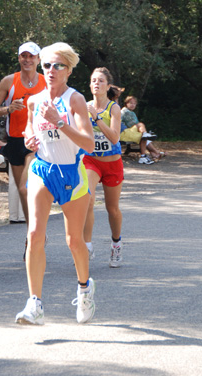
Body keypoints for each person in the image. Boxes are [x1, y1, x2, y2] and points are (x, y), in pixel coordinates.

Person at [15, 43, 96, 325]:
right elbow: (28, 125)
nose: (50, 70)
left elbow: (89, 143)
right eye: (47, 65)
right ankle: (34, 303)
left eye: (57, 65)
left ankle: (85, 288)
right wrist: (28, 138)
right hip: (42, 170)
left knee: (74, 241)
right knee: (35, 235)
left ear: (69, 70)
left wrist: (60, 122)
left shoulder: (76, 100)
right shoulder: (34, 101)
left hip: (72, 173)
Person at [0, 42, 46, 225]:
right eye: (24, 56)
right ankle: (31, 229)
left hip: (37, 140)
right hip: (15, 140)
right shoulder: (9, 81)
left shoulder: (46, 81)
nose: (27, 60)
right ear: (19, 57)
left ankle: (36, 225)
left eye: (31, 56)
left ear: (38, 59)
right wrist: (8, 109)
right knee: (22, 189)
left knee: (27, 186)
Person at [83, 68, 124, 267]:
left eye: (100, 80)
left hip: (112, 163)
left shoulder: (113, 108)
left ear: (108, 86)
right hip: (91, 161)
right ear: (90, 85)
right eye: (93, 80)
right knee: (88, 201)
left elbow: (115, 137)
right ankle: (87, 245)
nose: (96, 83)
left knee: (112, 209)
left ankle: (116, 243)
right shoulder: (84, 106)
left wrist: (97, 118)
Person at [120, 95, 166, 164]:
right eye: (130, 103)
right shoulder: (126, 112)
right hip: (125, 132)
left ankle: (154, 153)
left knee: (144, 136)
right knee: (142, 128)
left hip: (128, 131)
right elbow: (133, 125)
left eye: (134, 103)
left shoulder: (130, 112)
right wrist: (141, 127)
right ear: (126, 103)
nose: (133, 105)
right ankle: (155, 153)